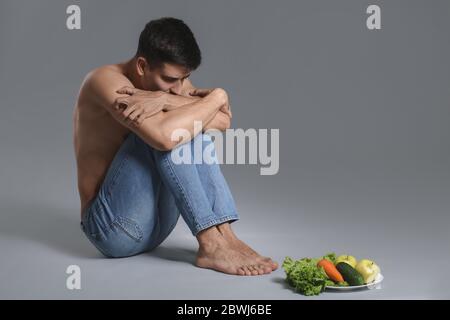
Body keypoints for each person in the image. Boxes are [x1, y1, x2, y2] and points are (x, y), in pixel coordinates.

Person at [73, 17, 278, 276]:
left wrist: (163, 98)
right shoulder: (104, 81)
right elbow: (165, 137)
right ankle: (210, 243)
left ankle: (224, 234)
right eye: (170, 80)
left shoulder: (172, 83)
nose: (179, 88)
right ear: (142, 65)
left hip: (158, 226)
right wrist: (217, 97)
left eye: (185, 79)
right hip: (111, 228)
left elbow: (223, 121)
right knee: (175, 131)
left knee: (192, 125)